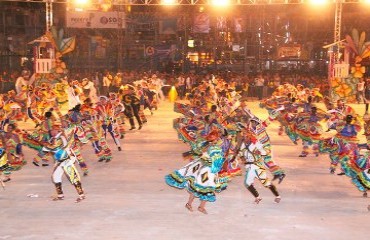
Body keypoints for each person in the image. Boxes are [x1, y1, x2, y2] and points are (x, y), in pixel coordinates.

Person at [165, 130, 225, 214]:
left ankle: (200, 206)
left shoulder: (207, 145)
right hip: (205, 171)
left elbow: (198, 153)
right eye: (217, 139)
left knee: (206, 189)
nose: (218, 140)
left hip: (207, 170)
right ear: (214, 140)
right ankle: (190, 204)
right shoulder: (212, 148)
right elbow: (211, 160)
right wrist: (205, 157)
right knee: (200, 188)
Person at [234, 128, 281, 204]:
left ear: (250, 137)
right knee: (247, 183)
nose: (244, 138)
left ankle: (277, 196)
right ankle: (257, 197)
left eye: (246, 137)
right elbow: (241, 153)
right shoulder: (243, 144)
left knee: (266, 183)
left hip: (258, 166)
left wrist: (260, 152)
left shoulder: (256, 143)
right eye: (244, 137)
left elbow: (266, 151)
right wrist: (242, 158)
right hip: (249, 167)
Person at [42, 127, 86, 203]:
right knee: (56, 176)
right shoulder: (53, 139)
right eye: (51, 130)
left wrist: (45, 145)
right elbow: (46, 149)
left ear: (57, 130)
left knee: (73, 176)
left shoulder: (61, 137)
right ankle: (60, 195)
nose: (52, 132)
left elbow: (52, 147)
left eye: (53, 130)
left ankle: (81, 195)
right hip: (60, 160)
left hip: (67, 159)